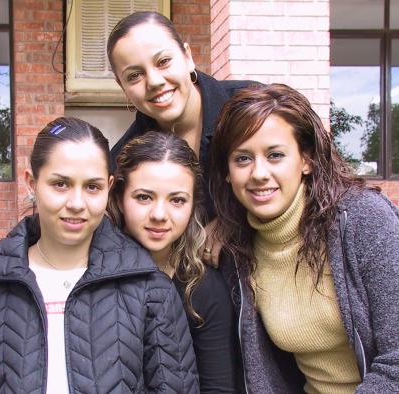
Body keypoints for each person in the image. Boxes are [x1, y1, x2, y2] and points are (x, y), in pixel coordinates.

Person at [0, 117, 199, 394]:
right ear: (32, 183)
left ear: (109, 187)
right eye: (61, 184)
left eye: (92, 187)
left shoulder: (151, 289)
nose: (76, 204)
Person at [210, 84, 399, 393]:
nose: (258, 173)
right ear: (228, 172)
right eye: (243, 159)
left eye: (275, 155)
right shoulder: (239, 248)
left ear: (306, 160)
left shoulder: (363, 220)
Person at [107, 131, 244, 393]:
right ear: (120, 199)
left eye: (177, 200)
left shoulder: (203, 289)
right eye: (144, 197)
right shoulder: (91, 273)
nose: (159, 214)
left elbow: (218, 387)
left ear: (193, 206)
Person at [106, 11, 263, 223]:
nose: (154, 81)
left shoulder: (255, 108)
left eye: (163, 61)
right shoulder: (120, 164)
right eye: (134, 76)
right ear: (122, 87)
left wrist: (232, 225)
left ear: (187, 57)